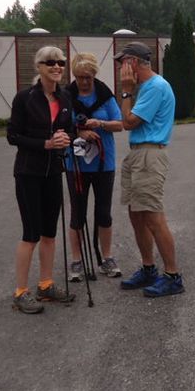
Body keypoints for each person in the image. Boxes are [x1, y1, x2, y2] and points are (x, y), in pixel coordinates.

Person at [6, 46, 77, 314]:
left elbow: (68, 130)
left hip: (53, 172)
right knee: (31, 234)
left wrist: (65, 139)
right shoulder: (25, 98)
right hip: (28, 173)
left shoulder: (66, 98)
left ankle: (45, 284)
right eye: (50, 63)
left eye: (60, 62)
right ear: (39, 66)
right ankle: (21, 292)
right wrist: (46, 143)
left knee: (50, 232)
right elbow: (13, 136)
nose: (56, 67)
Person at [113, 41, 184, 298]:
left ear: (134, 62)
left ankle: (173, 276)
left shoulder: (155, 86)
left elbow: (129, 122)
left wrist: (125, 92)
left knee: (153, 216)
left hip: (150, 154)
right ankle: (148, 268)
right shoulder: (143, 87)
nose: (120, 67)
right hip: (138, 154)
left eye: (123, 61)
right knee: (137, 215)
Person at [64, 52, 124, 280]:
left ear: (94, 75)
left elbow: (119, 125)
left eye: (88, 77)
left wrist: (100, 123)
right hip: (76, 165)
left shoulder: (105, 95)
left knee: (104, 213)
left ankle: (106, 258)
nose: (84, 81)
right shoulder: (66, 97)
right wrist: (78, 131)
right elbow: (58, 126)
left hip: (103, 164)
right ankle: (77, 260)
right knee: (77, 214)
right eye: (80, 77)